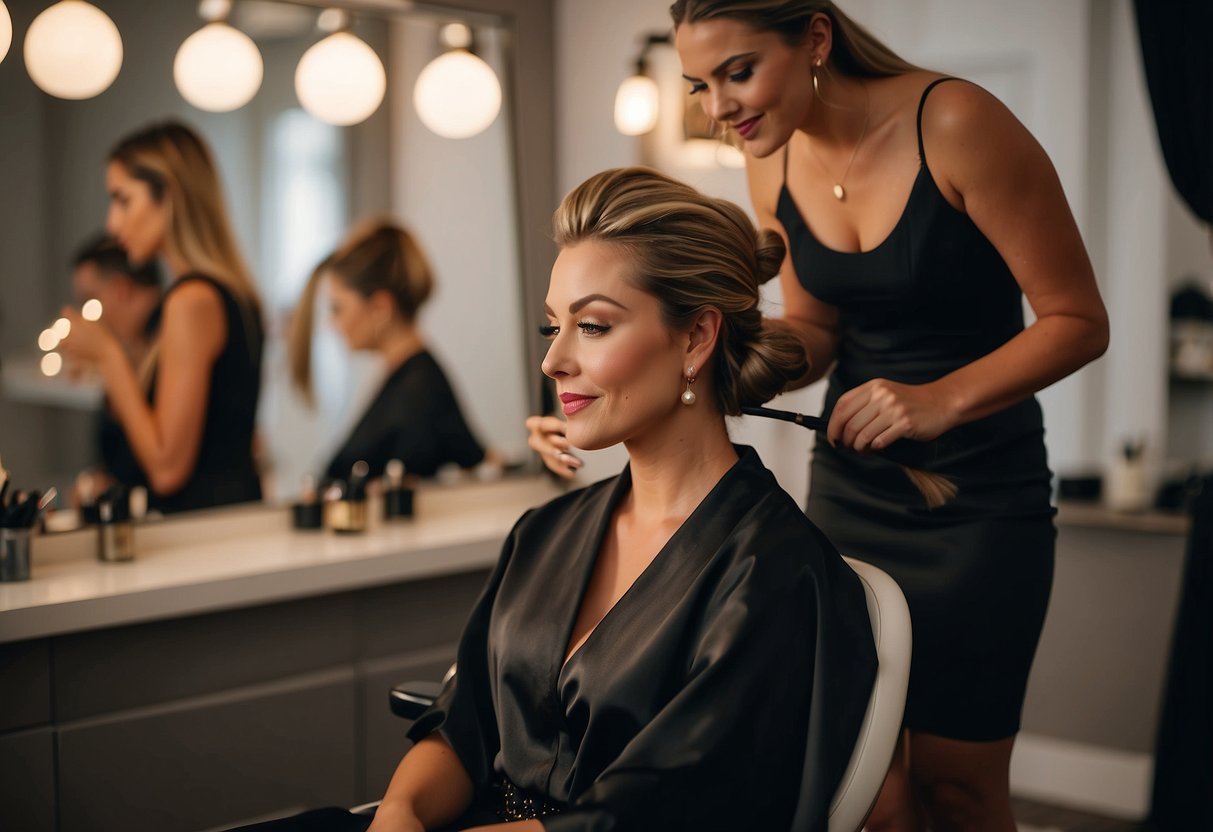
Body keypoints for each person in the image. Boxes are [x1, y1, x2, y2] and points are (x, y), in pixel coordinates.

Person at [528, 4, 1110, 831]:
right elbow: (816, 330)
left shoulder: (954, 121)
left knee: (957, 784)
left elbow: (1078, 321)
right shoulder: (772, 157)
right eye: (699, 85)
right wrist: (661, 379)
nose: (718, 108)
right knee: (868, 785)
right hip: (849, 484)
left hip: (973, 497)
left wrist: (934, 400)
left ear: (815, 38)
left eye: (737, 72)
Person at [234, 168, 876, 832]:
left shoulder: (770, 574)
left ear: (694, 339)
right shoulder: (546, 532)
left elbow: (646, 816)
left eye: (593, 327)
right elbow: (464, 723)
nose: (554, 362)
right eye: (552, 328)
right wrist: (398, 815)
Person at [59, 121, 265, 514]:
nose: (112, 223)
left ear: (169, 197)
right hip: (230, 524)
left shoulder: (191, 301)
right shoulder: (233, 293)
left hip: (202, 535)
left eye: (123, 200)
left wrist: (109, 356)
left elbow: (167, 467)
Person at [289, 220, 487, 483]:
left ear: (381, 308)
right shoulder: (403, 377)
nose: (331, 325)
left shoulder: (418, 390)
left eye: (337, 309)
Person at [69, 233, 164, 494]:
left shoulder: (170, 338)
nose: (85, 317)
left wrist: (107, 355)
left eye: (90, 300)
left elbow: (163, 466)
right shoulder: (128, 350)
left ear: (121, 289)